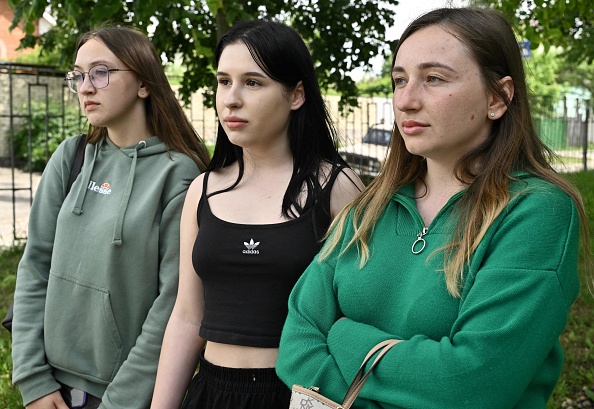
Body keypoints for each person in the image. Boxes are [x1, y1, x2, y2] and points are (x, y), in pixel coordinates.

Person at [276, 7, 592, 409]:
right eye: (399, 80)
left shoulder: (536, 213)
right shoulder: (368, 209)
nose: (406, 101)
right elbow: (296, 342)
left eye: (434, 79)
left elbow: (472, 383)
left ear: (498, 97)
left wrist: (344, 336)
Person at [150, 20, 363, 409]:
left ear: (296, 95)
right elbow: (186, 316)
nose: (230, 99)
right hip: (211, 393)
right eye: (223, 81)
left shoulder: (337, 188)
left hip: (301, 394)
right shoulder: (203, 189)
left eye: (252, 82)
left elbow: (362, 312)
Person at [11, 26, 210, 409]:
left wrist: (122, 401)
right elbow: (35, 265)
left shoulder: (178, 176)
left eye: (101, 72)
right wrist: (33, 380)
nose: (86, 87)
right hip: (49, 388)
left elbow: (173, 305)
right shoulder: (71, 158)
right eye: (78, 75)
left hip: (120, 395)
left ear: (143, 84)